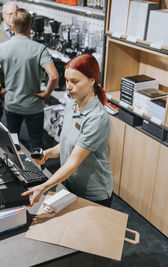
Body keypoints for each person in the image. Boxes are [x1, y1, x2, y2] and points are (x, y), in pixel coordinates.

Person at [22, 54, 114, 207]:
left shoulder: (97, 118)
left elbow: (73, 161)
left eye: (74, 81)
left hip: (93, 194)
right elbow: (67, 144)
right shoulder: (72, 105)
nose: (68, 86)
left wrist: (44, 187)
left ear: (92, 81)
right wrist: (47, 154)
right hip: (70, 184)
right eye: (67, 80)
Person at [0, 8, 58, 152]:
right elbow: (54, 76)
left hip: (12, 104)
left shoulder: (3, 48)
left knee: (12, 143)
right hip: (34, 106)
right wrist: (46, 94)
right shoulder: (39, 49)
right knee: (36, 145)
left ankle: (16, 171)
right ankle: (38, 172)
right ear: (31, 26)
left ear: (12, 26)